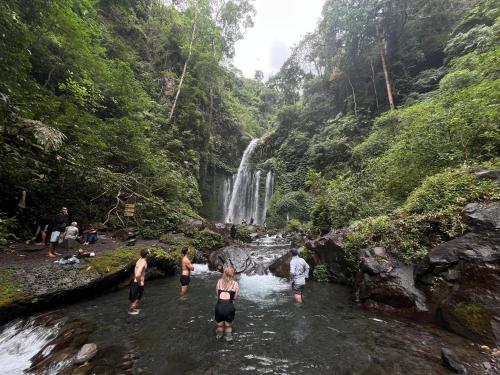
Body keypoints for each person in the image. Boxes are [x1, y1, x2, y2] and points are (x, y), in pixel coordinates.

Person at [214, 266, 239, 341]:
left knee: (220, 325)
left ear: (224, 273)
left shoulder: (219, 281)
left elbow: (218, 295)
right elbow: (234, 298)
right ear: (232, 274)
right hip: (229, 307)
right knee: (228, 326)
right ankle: (228, 337)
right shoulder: (235, 284)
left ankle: (219, 335)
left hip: (219, 307)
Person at [129, 248, 150, 315]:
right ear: (147, 254)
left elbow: (136, 270)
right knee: (137, 299)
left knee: (135, 298)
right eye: (149, 252)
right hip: (138, 283)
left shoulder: (140, 259)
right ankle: (132, 311)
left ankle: (133, 309)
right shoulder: (143, 262)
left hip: (134, 282)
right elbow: (138, 274)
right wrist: (139, 282)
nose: (150, 253)